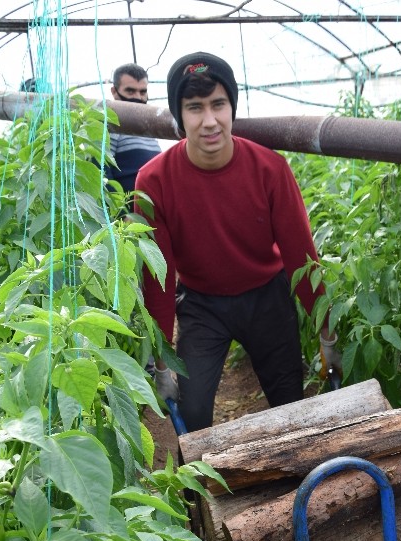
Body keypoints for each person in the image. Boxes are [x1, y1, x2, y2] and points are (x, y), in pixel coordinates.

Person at [135, 52, 341, 432]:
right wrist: (161, 360)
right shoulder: (154, 181)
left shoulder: (269, 169)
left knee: (289, 403)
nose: (209, 121)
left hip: (266, 296)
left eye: (218, 104)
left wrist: (327, 332)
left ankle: (302, 486)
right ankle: (198, 492)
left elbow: (301, 258)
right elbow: (159, 276)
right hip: (201, 305)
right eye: (194, 107)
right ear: (179, 116)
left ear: (232, 107)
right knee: (193, 413)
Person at [106, 63, 162, 192]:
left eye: (143, 92)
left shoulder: (149, 130)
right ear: (114, 92)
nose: (138, 97)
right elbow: (102, 177)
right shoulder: (110, 126)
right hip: (128, 209)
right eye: (130, 91)